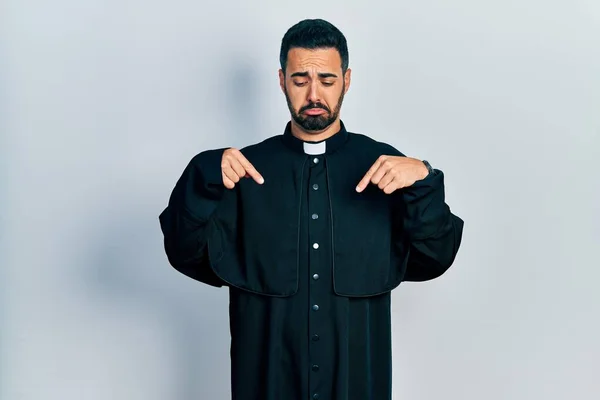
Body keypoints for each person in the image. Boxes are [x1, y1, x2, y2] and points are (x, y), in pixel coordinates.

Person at [159, 18, 464, 400]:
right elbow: (183, 251)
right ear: (282, 80)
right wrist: (201, 173)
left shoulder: (385, 168)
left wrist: (424, 178)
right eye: (301, 80)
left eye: (328, 80)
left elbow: (436, 257)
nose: (314, 94)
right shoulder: (242, 172)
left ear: (347, 80)